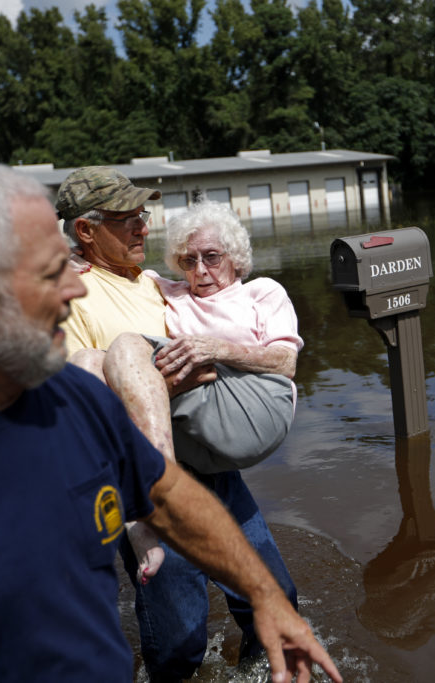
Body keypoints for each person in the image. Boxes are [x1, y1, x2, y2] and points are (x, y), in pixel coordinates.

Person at [0, 161, 341, 683]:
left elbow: (167, 494)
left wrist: (264, 595)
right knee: (176, 644)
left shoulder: (79, 402)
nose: (77, 286)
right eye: (53, 271)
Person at [56, 167, 302, 682]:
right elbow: (87, 406)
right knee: (180, 643)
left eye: (142, 216)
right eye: (127, 220)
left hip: (205, 464)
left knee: (275, 600)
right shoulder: (70, 294)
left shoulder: (151, 281)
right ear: (85, 230)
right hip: (147, 483)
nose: (143, 228)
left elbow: (226, 319)